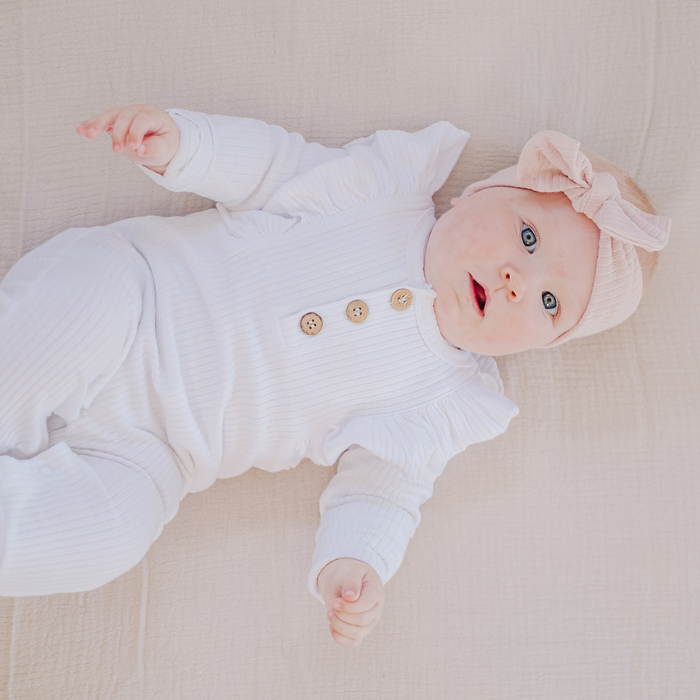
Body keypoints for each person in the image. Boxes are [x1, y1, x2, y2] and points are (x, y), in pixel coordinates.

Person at [0, 105, 670, 648]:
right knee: (64, 325)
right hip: (139, 299)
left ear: (543, 345)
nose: (519, 282)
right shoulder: (379, 193)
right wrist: (187, 145)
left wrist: (355, 567)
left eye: (551, 304)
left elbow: (384, 493)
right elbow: (270, 166)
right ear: (476, 194)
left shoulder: (441, 403)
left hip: (155, 452)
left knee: (108, 539)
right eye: (527, 238)